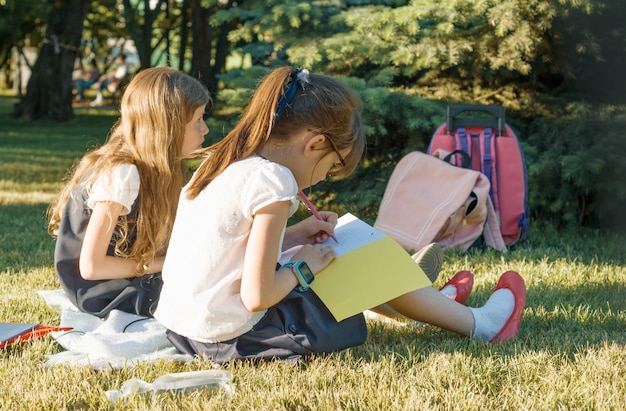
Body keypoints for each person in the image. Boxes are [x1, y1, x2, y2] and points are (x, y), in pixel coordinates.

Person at [154, 66, 526, 363]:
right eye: (332, 167)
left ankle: (431, 303)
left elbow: (227, 249)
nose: (323, 178)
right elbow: (257, 295)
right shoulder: (273, 180)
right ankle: (483, 326)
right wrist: (304, 265)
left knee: (331, 258)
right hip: (236, 339)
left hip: (187, 330)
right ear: (314, 144)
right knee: (350, 264)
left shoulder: (225, 163)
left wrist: (297, 235)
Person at [48, 67, 211, 318]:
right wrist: (165, 263)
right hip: (102, 290)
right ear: (166, 128)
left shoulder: (156, 166)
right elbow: (91, 267)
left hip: (127, 276)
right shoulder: (123, 172)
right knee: (201, 294)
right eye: (198, 120)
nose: (205, 129)